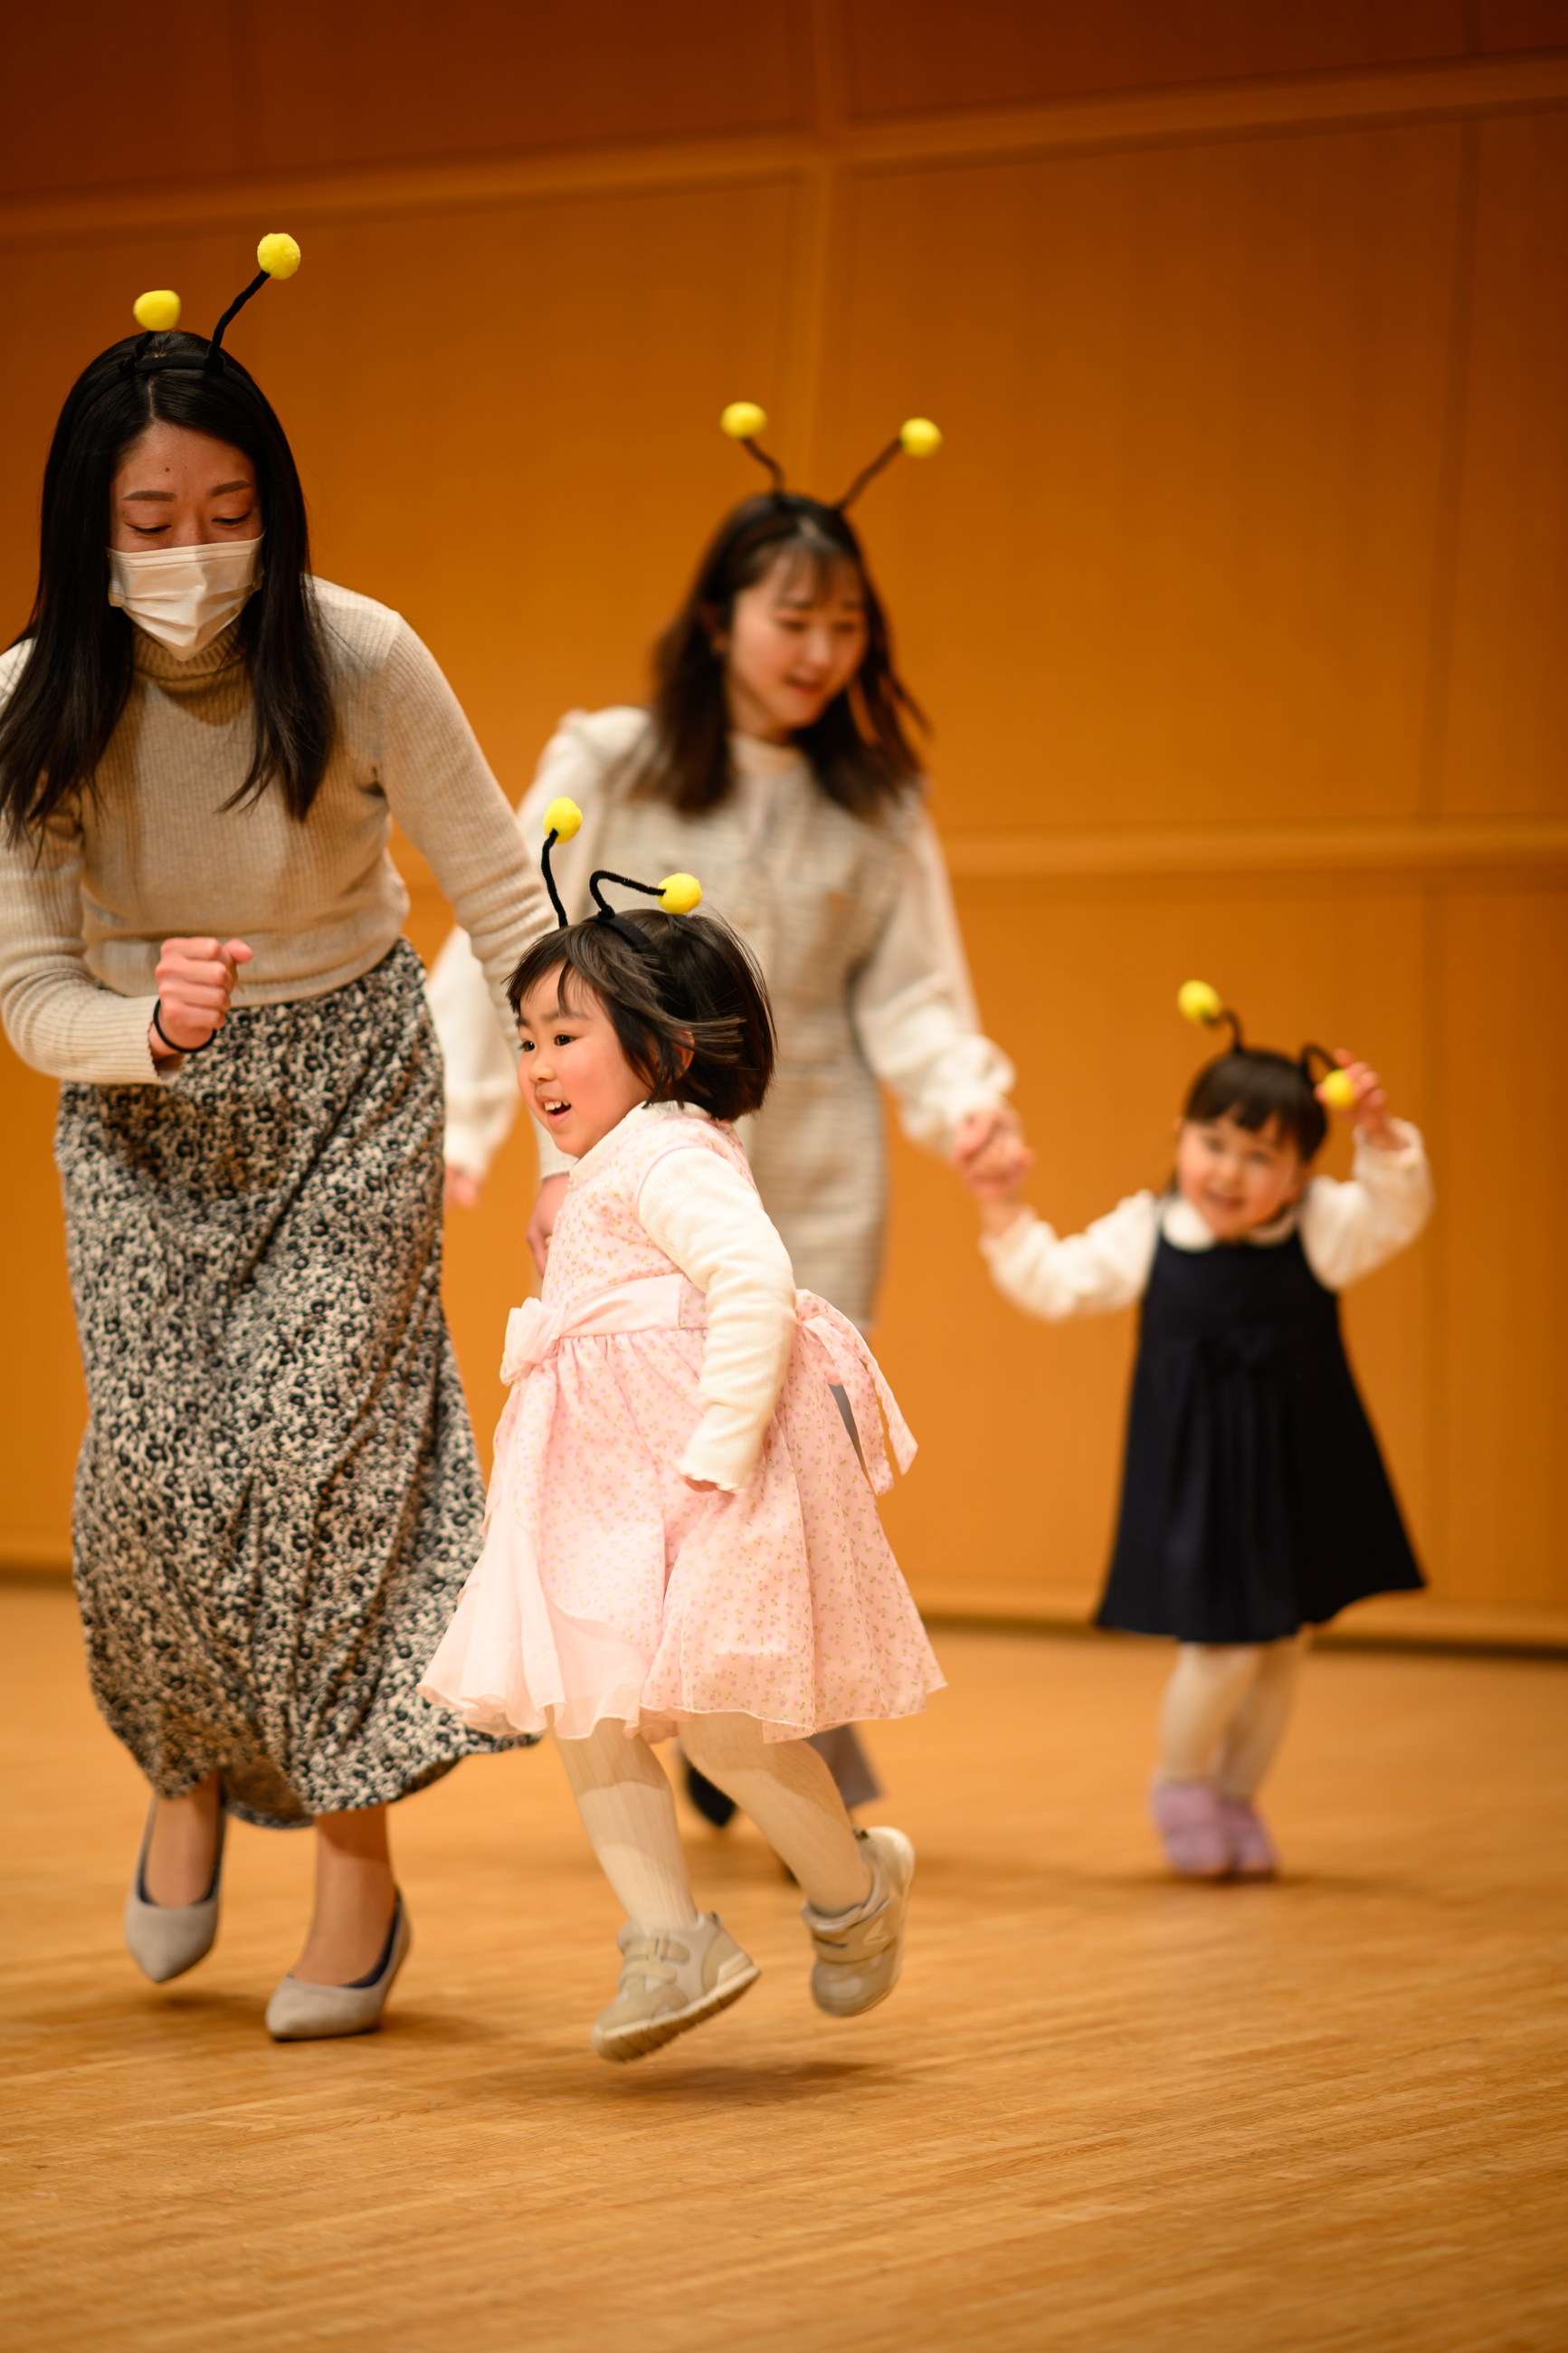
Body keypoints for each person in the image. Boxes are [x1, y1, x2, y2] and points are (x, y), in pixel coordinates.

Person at [0, 243, 552, 2039]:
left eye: (227, 511)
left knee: (322, 1476)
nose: (191, 554)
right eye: (150, 518)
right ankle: (184, 1772)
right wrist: (143, 1026)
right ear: (88, 527)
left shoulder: (361, 654)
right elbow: (24, 993)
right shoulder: (26, 702)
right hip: (140, 1108)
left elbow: (500, 891)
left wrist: (588, 1113)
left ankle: (356, 1866)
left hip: (349, 1087)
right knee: (154, 1488)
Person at [428, 404, 1025, 1819]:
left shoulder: (875, 802)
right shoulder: (614, 759)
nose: (821, 653)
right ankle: (701, 1711)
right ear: (717, 620)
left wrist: (968, 1109)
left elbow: (914, 993)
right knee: (652, 1446)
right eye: (792, 620)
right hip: (636, 1179)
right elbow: (512, 928)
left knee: (792, 1435)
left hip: (812, 1163)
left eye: (846, 626)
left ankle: (765, 1709)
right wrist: (463, 1116)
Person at [419, 821, 943, 2060]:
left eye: (566, 1037)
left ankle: (855, 1892)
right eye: (528, 1040)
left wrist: (717, 1446)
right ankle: (668, 1939)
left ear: (656, 1048)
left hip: (696, 1477)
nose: (539, 1066)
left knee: (720, 1724)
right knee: (590, 1717)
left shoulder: (670, 1155)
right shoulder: (601, 1166)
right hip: (596, 1486)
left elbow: (755, 1281)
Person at [962, 986, 1432, 1880]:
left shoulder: (1321, 1229)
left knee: (1282, 1644)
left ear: (1296, 1176)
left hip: (1295, 1463)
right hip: (1198, 1475)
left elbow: (1395, 1211)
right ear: (1179, 1134)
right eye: (1211, 1142)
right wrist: (1000, 1209)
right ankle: (1181, 1784)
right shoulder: (1150, 1231)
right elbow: (1055, 1281)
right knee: (1219, 1649)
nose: (1227, 1170)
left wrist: (1379, 1137)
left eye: (1259, 1156)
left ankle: (1237, 1796)